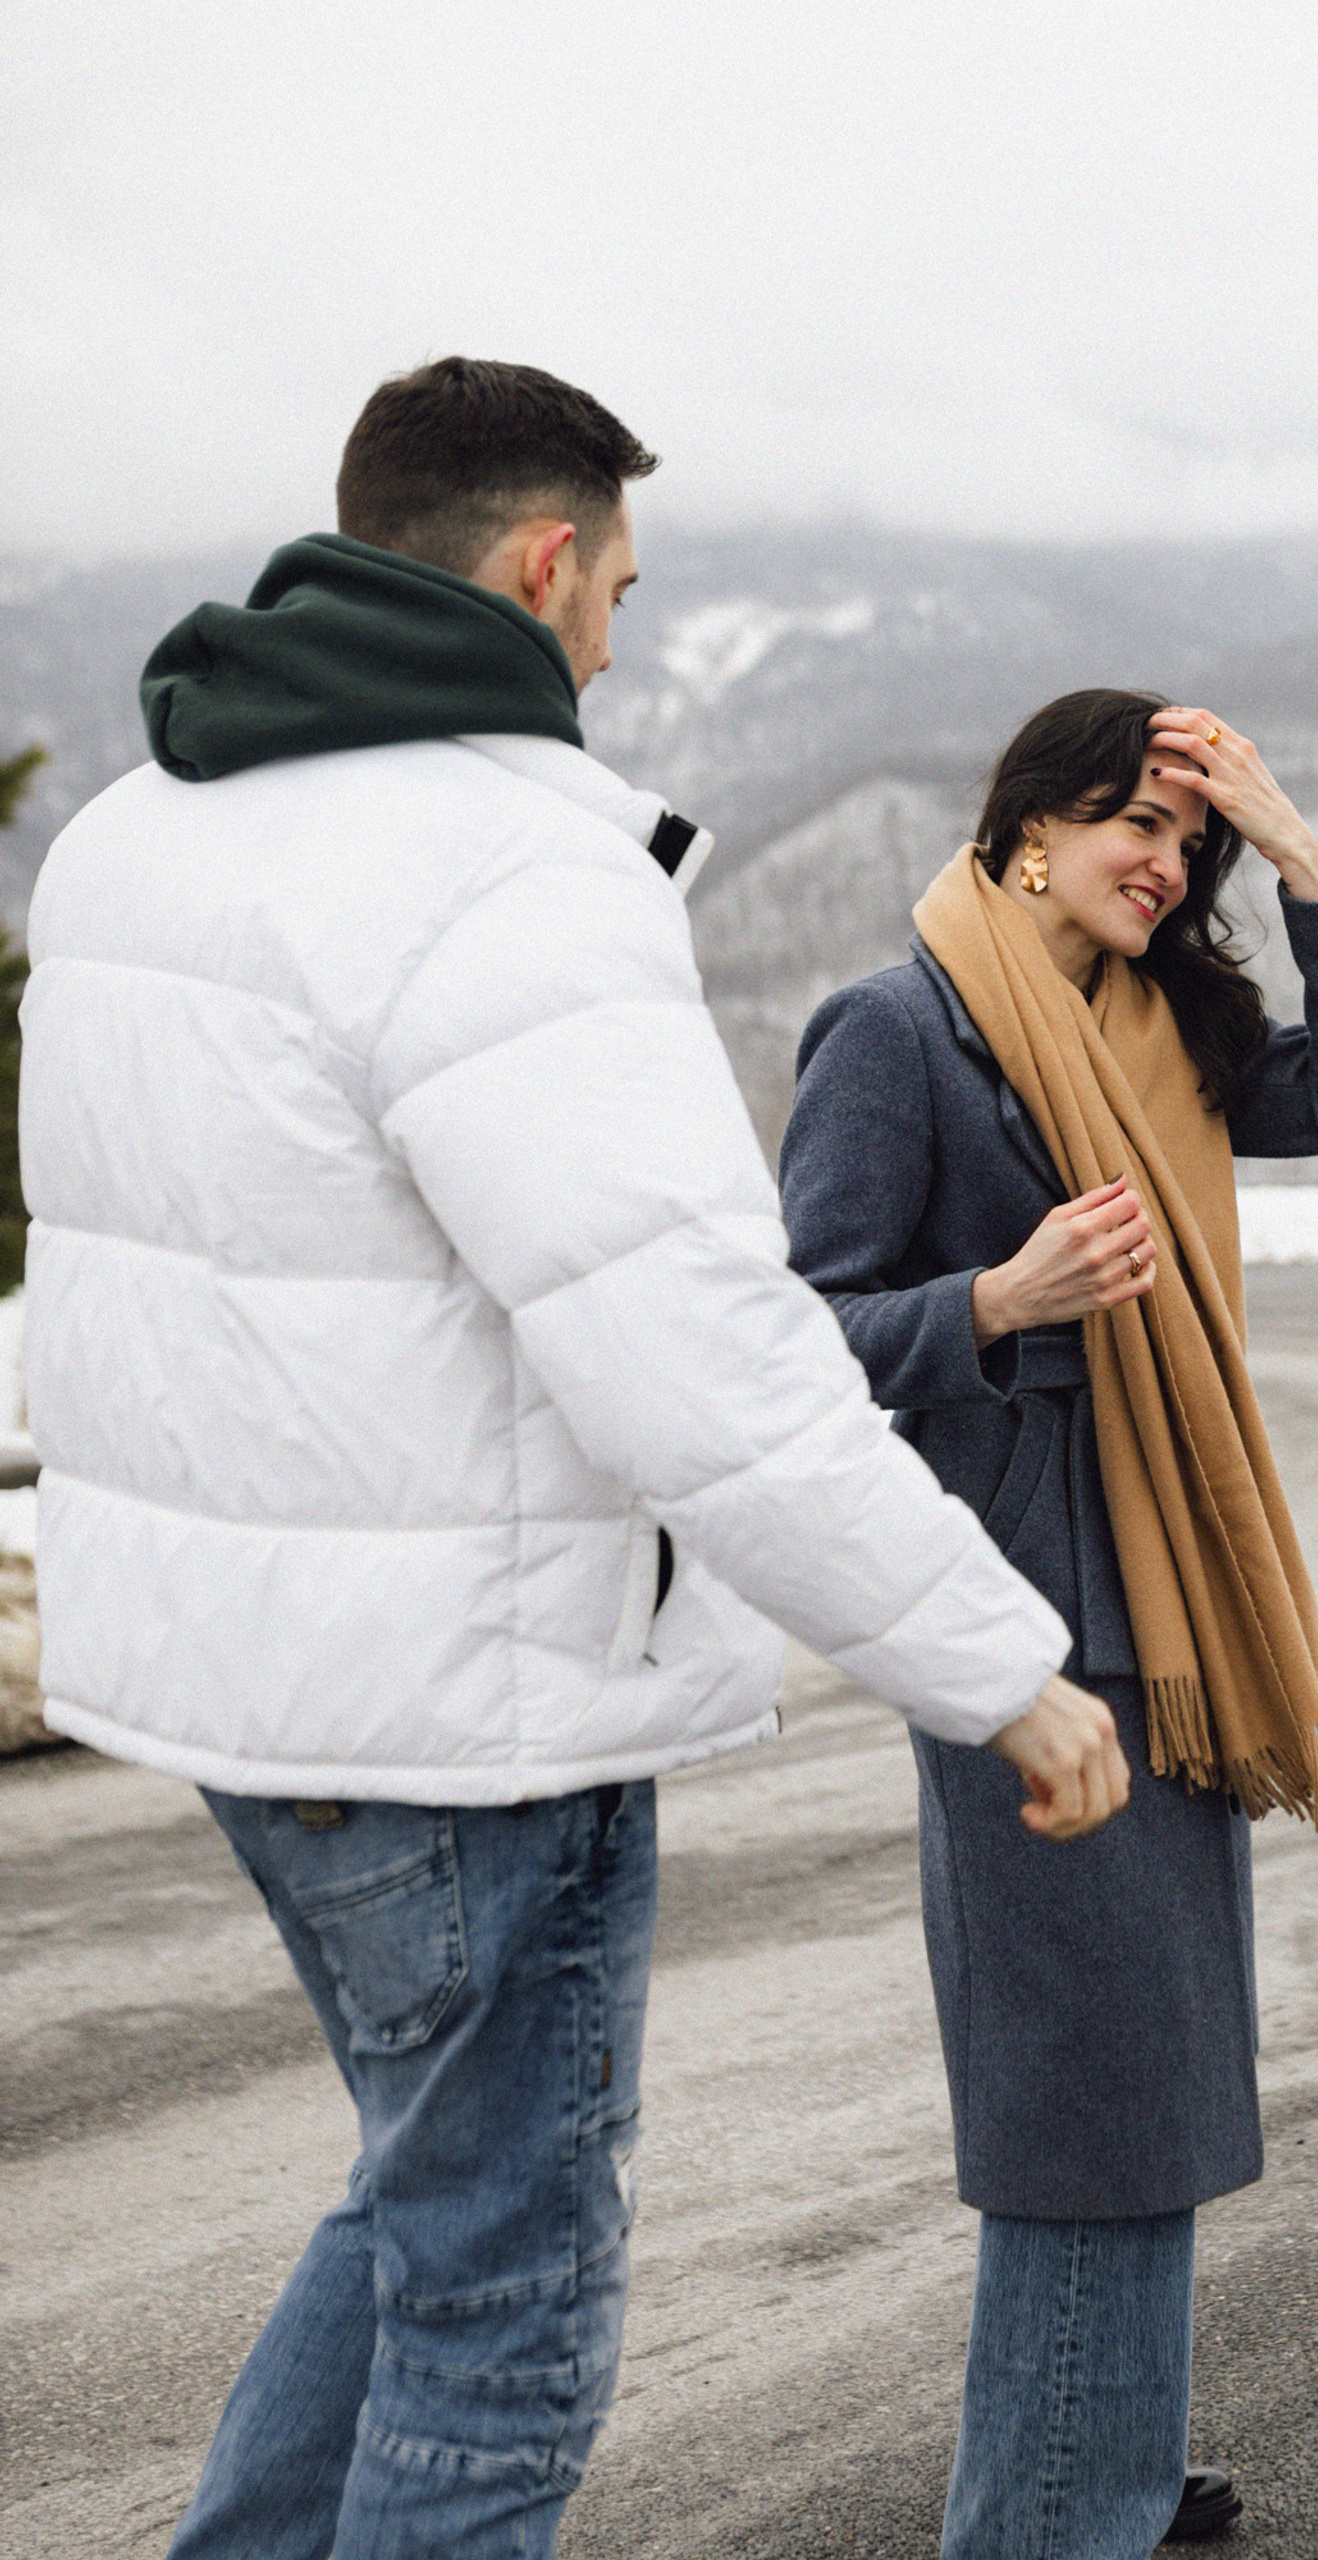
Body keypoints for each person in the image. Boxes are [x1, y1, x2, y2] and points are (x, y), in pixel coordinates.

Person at [19, 358, 1128, 2560]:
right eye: (617, 585)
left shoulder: (137, 834)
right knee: (504, 2318)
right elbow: (696, 1348)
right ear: (543, 566)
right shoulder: (508, 869)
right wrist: (993, 1660)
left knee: (429, 2199)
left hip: (255, 1681)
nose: (616, 634)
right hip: (472, 1719)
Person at [781, 688, 1318, 2555]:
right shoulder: (898, 1033)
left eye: (1189, 841)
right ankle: (1052, 2516)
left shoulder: (1166, 1033)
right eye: (1131, 823)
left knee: (1151, 2097)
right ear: (1027, 830)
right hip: (1026, 1632)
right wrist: (997, 1296)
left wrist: (1303, 861)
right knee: (1084, 2112)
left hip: (1170, 1616)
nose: (1164, 861)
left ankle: (1108, 2483)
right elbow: (798, 1340)